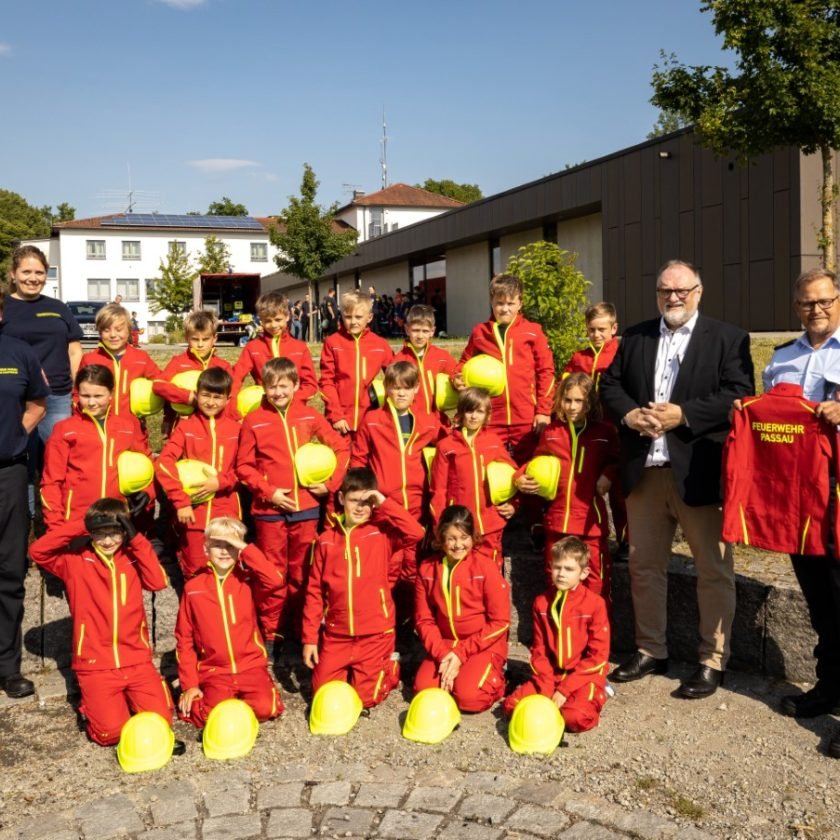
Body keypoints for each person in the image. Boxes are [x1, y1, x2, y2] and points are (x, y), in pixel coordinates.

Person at [600, 258, 754, 699]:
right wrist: (629, 414)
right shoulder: (634, 337)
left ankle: (711, 660)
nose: (673, 297)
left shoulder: (728, 338)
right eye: (666, 290)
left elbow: (739, 395)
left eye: (682, 290)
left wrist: (683, 414)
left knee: (713, 569)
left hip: (699, 471)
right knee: (645, 568)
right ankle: (652, 649)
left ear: (698, 292)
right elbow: (609, 386)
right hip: (645, 471)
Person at [761, 266, 840, 758]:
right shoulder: (780, 358)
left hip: (838, 489)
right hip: (795, 497)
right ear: (796, 308)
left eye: (825, 300)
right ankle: (828, 687)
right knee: (819, 600)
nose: (817, 310)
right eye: (808, 303)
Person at [29, 499, 173, 745]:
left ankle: (126, 702)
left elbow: (158, 582)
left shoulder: (133, 556)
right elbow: (37, 551)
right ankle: (94, 709)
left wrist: (136, 538)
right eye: (99, 533)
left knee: (162, 725)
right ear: (90, 532)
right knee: (111, 735)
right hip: (96, 665)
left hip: (136, 660)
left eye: (114, 532)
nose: (107, 541)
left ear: (124, 531)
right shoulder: (74, 561)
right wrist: (80, 525)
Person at [236, 357, 350, 642]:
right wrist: (269, 492)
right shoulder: (254, 420)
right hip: (269, 511)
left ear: (297, 386)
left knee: (302, 573)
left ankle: (303, 633)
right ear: (262, 387)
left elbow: (342, 449)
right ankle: (273, 634)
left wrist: (331, 484)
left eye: (284, 386)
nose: (278, 393)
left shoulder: (309, 416)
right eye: (271, 387)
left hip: (306, 509)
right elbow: (243, 466)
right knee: (272, 575)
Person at [301, 468, 424, 708]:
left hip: (375, 633)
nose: (360, 508)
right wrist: (309, 639)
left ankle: (389, 664)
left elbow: (416, 532)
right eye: (354, 501)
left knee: (365, 700)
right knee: (323, 697)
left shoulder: (382, 533)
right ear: (340, 499)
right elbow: (314, 592)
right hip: (337, 635)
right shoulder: (325, 541)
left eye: (367, 502)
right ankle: (354, 670)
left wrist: (383, 502)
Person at [351, 361, 443, 619]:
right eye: (395, 387)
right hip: (383, 508)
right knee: (387, 567)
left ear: (416, 389)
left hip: (416, 507)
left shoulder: (427, 421)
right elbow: (358, 460)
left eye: (407, 388)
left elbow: (448, 447)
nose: (401, 393)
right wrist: (361, 496)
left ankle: (411, 620)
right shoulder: (372, 420)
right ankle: (382, 618)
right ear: (386, 389)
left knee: (412, 568)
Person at [515, 373, 618, 602]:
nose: (572, 407)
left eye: (579, 401)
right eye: (568, 400)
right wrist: (519, 478)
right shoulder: (552, 433)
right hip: (558, 521)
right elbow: (535, 464)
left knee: (597, 584)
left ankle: (595, 637)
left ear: (590, 402)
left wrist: (608, 475)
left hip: (591, 522)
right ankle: (558, 635)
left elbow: (616, 461)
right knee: (555, 581)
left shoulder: (604, 433)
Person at [176, 517, 284, 728]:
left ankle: (256, 694)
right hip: (215, 670)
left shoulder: (248, 580)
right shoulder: (193, 587)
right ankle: (198, 701)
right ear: (206, 549)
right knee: (211, 719)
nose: (225, 551)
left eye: (231, 546)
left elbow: (276, 579)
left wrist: (245, 548)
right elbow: (184, 638)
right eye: (218, 545)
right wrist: (189, 685)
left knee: (267, 709)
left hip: (250, 666)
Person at [4, 245, 83, 511]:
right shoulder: (4, 307)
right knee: (21, 464)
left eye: (39, 272)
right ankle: (25, 520)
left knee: (59, 464)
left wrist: (75, 387)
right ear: (13, 273)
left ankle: (58, 521)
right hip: (17, 402)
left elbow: (74, 349)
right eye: (26, 271)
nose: (33, 278)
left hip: (57, 399)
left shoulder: (58, 308)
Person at [503, 536, 610, 732]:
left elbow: (598, 656)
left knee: (576, 719)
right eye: (557, 567)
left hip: (583, 676)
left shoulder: (595, 604)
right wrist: (546, 687)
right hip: (552, 675)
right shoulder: (541, 602)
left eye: (569, 569)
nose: (561, 574)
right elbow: (539, 649)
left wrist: (564, 690)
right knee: (512, 706)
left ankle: (600, 692)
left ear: (584, 573)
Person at [0, 283, 48, 698]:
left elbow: (38, 402)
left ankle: (7, 666)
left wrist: (18, 433)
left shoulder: (18, 352)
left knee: (10, 573)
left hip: (9, 474)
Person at [413, 506, 510, 711]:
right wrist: (442, 654)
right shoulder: (427, 569)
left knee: (469, 699)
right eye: (451, 538)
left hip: (481, 644)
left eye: (464, 537)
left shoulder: (485, 567)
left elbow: (500, 622)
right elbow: (424, 620)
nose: (458, 545)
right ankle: (458, 673)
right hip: (445, 644)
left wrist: (460, 653)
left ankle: (499, 679)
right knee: (425, 693)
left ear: (473, 537)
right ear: (441, 539)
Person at [454, 273, 555, 464]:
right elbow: (463, 363)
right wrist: (457, 377)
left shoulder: (533, 331)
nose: (505, 309)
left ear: (520, 303)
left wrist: (543, 411)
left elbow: (546, 372)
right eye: (500, 303)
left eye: (510, 303)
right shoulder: (480, 332)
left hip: (526, 416)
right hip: (491, 417)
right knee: (492, 469)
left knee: (527, 468)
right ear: (491, 302)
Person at [41, 365, 152, 531]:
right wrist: (56, 526)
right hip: (77, 520)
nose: (91, 402)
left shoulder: (129, 425)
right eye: (85, 396)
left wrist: (148, 491)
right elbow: (51, 482)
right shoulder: (64, 429)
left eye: (98, 396)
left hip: (118, 518)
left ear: (111, 394)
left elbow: (147, 462)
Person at [155, 368, 242, 579]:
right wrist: (181, 500)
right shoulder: (186, 428)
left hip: (227, 512)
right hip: (195, 513)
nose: (210, 402)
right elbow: (164, 463)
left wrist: (221, 482)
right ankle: (194, 608)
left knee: (226, 568)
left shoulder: (237, 429)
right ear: (197, 394)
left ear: (228, 399)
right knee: (195, 569)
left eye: (217, 397)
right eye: (205, 395)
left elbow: (247, 467)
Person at [563, 302, 628, 556]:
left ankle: (625, 539)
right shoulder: (579, 358)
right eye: (592, 329)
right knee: (585, 484)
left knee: (620, 491)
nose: (597, 335)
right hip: (587, 431)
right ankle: (582, 533)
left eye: (602, 329)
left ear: (614, 328)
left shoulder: (622, 354)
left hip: (616, 429)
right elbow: (564, 386)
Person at [430, 388, 517, 570]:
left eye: (479, 411)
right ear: (460, 413)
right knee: (461, 573)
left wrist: (514, 503)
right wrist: (440, 528)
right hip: (459, 528)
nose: (474, 416)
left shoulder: (493, 442)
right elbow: (438, 491)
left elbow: (514, 475)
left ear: (487, 415)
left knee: (490, 572)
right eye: (469, 411)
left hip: (490, 525)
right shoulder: (446, 446)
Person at [318, 290, 393, 439]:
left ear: (369, 317)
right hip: (340, 420)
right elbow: (326, 382)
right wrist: (336, 415)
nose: (353, 322)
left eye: (359, 317)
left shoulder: (380, 344)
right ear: (342, 316)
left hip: (369, 419)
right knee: (342, 461)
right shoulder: (333, 342)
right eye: (348, 317)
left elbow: (398, 376)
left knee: (365, 461)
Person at [153, 310, 234, 438]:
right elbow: (158, 385)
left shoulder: (223, 366)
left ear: (214, 338)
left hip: (216, 426)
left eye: (206, 339)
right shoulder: (178, 362)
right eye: (195, 339)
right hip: (185, 426)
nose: (200, 344)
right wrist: (187, 397)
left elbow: (231, 397)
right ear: (187, 338)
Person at [78, 303, 161, 421]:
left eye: (119, 330)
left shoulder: (141, 358)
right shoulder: (90, 359)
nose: (113, 335)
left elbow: (162, 383)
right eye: (106, 330)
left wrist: (168, 416)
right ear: (99, 332)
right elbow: (77, 393)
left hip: (133, 428)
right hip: (97, 426)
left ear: (129, 330)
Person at [232, 292, 317, 402]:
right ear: (261, 321)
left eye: (278, 320)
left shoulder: (300, 348)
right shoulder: (253, 348)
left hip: (295, 408)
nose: (273, 325)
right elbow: (236, 378)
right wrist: (233, 410)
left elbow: (310, 384)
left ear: (287, 317)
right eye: (267, 321)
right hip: (264, 409)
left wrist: (291, 398)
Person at [393, 304, 457, 424]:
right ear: (407, 329)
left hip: (438, 422)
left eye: (425, 331)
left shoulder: (442, 356)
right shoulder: (398, 360)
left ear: (432, 331)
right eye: (416, 330)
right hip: (411, 422)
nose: (420, 336)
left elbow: (458, 375)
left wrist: (456, 380)